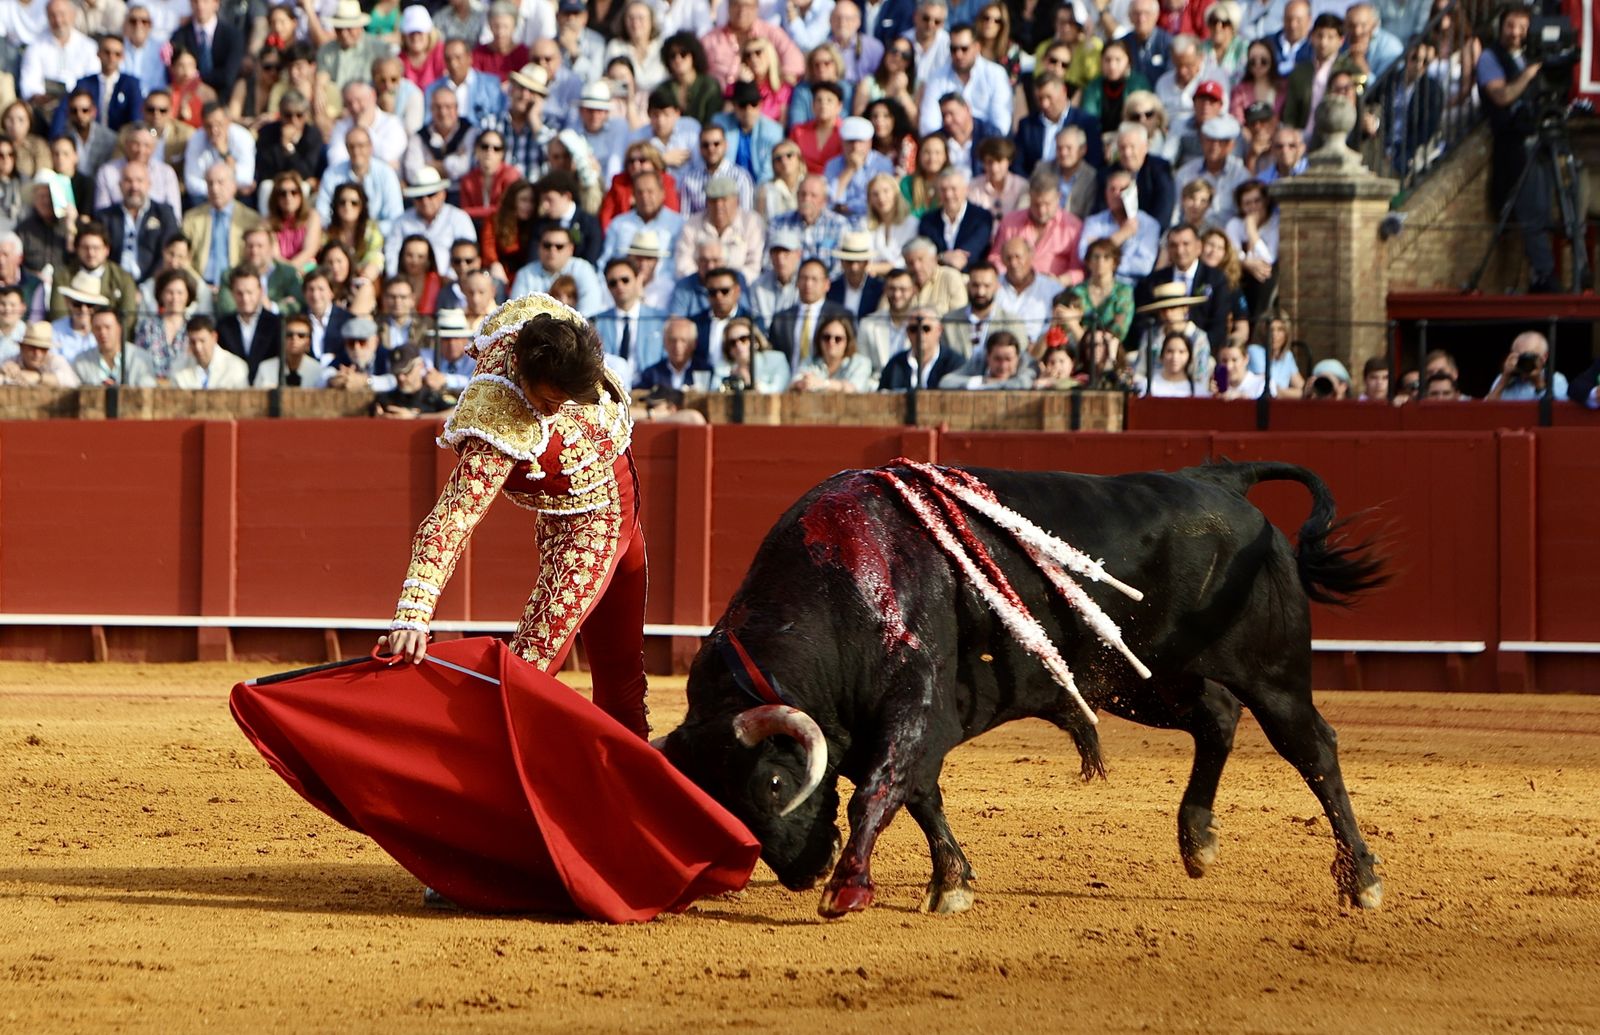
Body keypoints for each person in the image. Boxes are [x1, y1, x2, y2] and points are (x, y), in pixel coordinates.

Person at [379, 294, 651, 741]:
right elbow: (454, 516)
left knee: (615, 679)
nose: (558, 409)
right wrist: (413, 613)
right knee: (526, 675)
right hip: (580, 529)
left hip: (617, 507)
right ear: (523, 374)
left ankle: (634, 796)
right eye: (549, 400)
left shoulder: (544, 327)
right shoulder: (499, 418)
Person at [878, 304, 962, 390]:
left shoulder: (955, 364)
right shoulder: (895, 365)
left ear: (939, 330)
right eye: (913, 329)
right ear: (907, 332)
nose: (920, 334)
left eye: (926, 328)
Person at [790, 313, 874, 392]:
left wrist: (823, 384)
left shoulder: (860, 363)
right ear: (819, 339)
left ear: (848, 342)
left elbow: (854, 388)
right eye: (826, 337)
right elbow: (793, 383)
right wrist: (802, 384)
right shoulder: (810, 361)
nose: (831, 342)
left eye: (838, 339)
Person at [73, 308, 156, 387]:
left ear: (119, 329)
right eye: (97, 328)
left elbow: (147, 394)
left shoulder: (140, 359)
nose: (102, 332)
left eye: (107, 327)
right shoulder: (81, 361)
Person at [1485, 330, 1569, 402]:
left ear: (1544, 357)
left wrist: (1539, 383)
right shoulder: (1503, 379)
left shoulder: (1556, 380)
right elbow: (1487, 411)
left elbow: (1559, 414)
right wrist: (1504, 379)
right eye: (1520, 357)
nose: (1525, 362)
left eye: (1530, 357)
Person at [172, 313, 250, 388]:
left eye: (202, 341)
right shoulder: (178, 369)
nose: (198, 347)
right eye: (193, 342)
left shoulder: (236, 367)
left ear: (214, 337)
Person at [718, 315, 790, 392]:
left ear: (755, 341)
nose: (738, 345)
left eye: (743, 339)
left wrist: (749, 382)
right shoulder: (721, 369)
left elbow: (779, 390)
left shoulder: (776, 360)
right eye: (732, 343)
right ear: (728, 349)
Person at [1, 320, 80, 386]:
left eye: (43, 349)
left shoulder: (55, 361)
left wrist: (38, 377)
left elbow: (72, 381)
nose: (37, 354)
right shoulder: (11, 361)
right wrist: (4, 373)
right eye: (32, 348)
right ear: (22, 347)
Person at [1138, 329, 1209, 396]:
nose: (1175, 357)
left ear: (1190, 357)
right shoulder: (1145, 386)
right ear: (1161, 356)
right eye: (1170, 351)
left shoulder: (1199, 391)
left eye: (1181, 352)